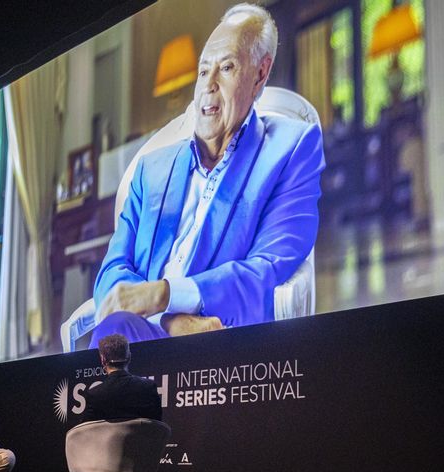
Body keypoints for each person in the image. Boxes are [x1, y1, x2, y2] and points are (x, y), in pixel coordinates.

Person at [91, 3, 325, 346]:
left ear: (260, 74)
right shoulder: (150, 170)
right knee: (117, 336)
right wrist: (169, 320)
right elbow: (111, 274)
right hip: (141, 334)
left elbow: (268, 270)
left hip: (218, 344)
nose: (208, 86)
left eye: (226, 67)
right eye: (203, 71)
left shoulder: (291, 149)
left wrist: (165, 293)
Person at [82, 334, 162, 422]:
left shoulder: (94, 395)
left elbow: (87, 432)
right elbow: (158, 428)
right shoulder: (148, 388)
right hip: (143, 436)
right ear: (129, 357)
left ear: (103, 359)